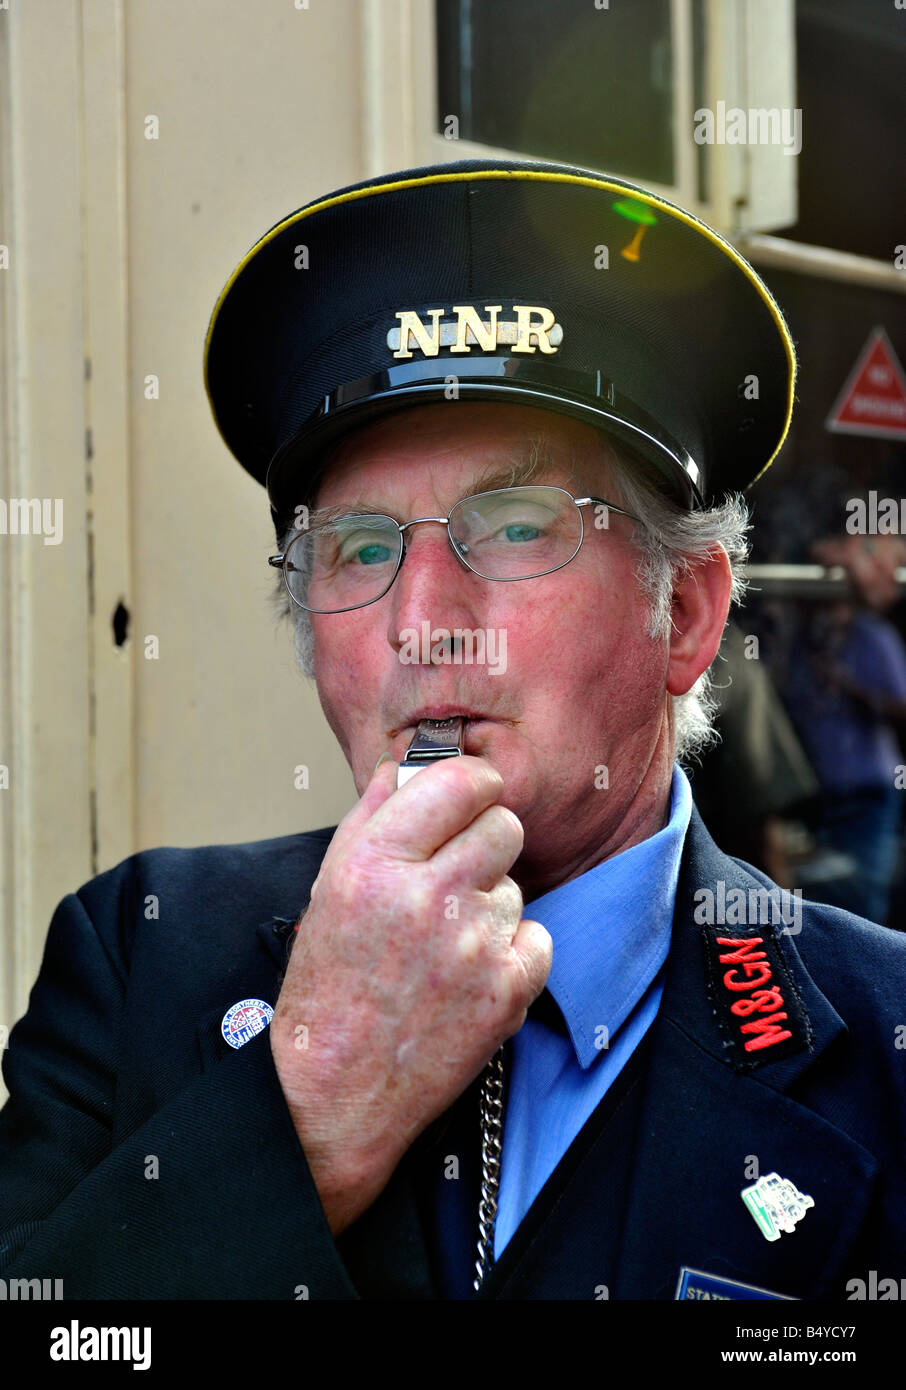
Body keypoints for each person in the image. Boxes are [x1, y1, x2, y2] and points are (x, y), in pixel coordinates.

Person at [1, 159, 904, 1302]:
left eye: (518, 526)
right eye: (364, 548)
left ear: (687, 613)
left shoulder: (885, 1043)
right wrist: (306, 1112)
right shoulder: (139, 954)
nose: (423, 624)